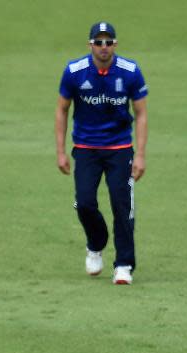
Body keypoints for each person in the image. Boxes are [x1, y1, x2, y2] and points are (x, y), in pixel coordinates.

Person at [55, 22, 148, 285]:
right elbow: (61, 109)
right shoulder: (75, 71)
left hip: (119, 148)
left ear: (115, 45)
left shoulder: (130, 72)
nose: (103, 47)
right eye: (99, 42)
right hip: (85, 148)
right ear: (90, 45)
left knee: (122, 205)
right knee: (83, 202)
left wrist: (140, 154)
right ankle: (95, 243)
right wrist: (60, 151)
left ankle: (124, 265)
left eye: (108, 42)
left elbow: (140, 114)